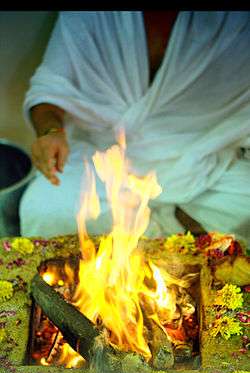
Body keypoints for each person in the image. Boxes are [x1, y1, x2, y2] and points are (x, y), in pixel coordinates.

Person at [20, 11, 250, 247]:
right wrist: (51, 132)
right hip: (102, 160)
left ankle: (170, 225)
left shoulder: (236, 21)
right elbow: (49, 89)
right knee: (44, 208)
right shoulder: (90, 16)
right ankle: (175, 233)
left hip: (200, 163)